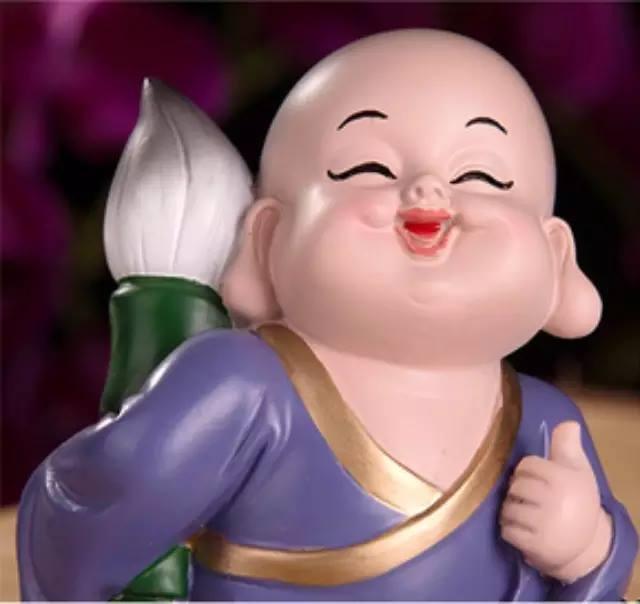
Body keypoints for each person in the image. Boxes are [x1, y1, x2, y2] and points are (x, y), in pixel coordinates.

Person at [17, 29, 638, 601]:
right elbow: (89, 512)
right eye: (369, 168)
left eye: (479, 174)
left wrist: (585, 548)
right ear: (266, 240)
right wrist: (142, 468)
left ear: (557, 258)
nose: (428, 192)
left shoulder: (546, 425)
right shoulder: (247, 386)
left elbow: (599, 580)